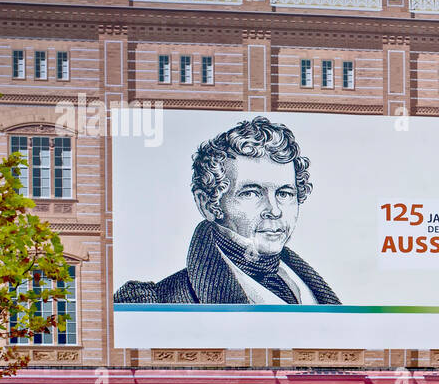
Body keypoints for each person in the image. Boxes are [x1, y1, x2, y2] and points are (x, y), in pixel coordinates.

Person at [114, 116, 340, 304]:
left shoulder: (312, 289)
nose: (274, 210)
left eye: (285, 193)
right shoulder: (160, 301)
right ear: (208, 205)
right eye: (251, 193)